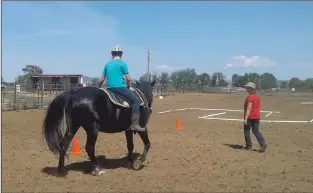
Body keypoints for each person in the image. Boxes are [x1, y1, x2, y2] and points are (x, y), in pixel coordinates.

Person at [97, 46, 145, 131]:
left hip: (109, 89)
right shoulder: (122, 63)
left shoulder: (107, 64)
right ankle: (134, 124)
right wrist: (128, 85)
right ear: (121, 54)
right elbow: (129, 78)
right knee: (135, 101)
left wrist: (98, 87)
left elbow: (102, 79)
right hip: (120, 88)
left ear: (112, 54)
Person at [243, 82, 267, 152]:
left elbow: (249, 108)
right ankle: (262, 143)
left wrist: (245, 119)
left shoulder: (250, 97)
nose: (246, 89)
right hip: (257, 116)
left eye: (248, 87)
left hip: (250, 117)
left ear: (251, 89)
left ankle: (248, 146)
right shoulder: (257, 96)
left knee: (246, 130)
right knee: (256, 131)